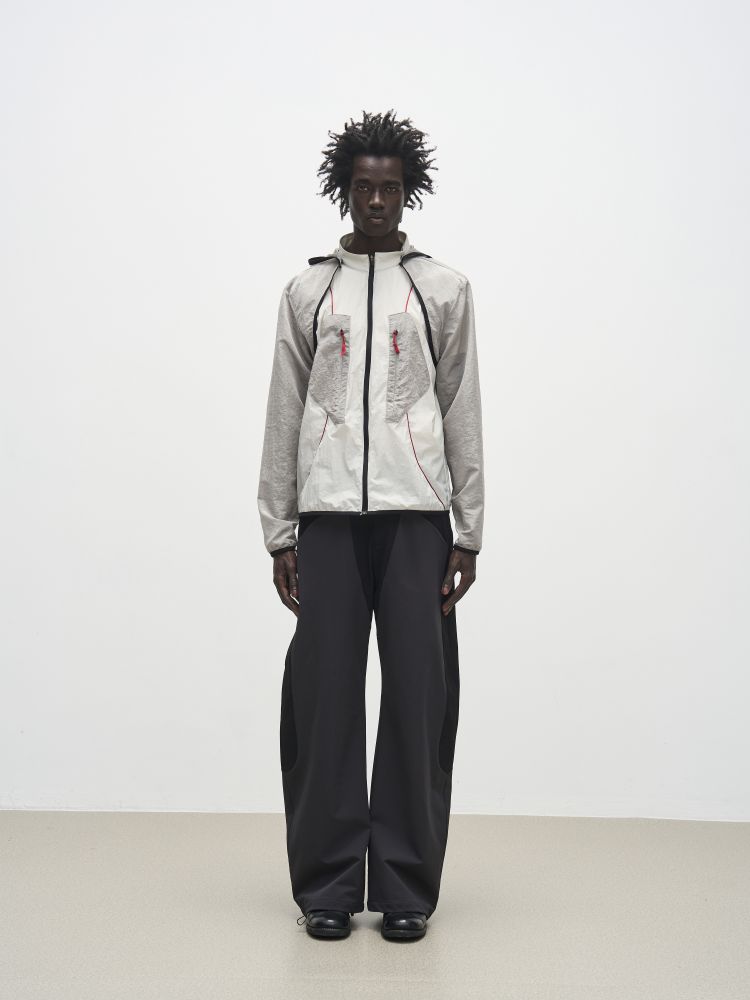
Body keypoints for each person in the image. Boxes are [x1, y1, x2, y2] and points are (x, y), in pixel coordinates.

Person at [257, 109, 484, 941]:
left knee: (418, 700)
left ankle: (404, 888)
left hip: (418, 519)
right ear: (345, 192)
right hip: (326, 521)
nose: (377, 201)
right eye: (364, 188)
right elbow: (285, 410)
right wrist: (280, 530)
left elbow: (462, 408)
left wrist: (468, 529)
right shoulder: (309, 291)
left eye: (390, 188)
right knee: (323, 701)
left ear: (408, 191)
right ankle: (325, 888)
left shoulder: (444, 289)